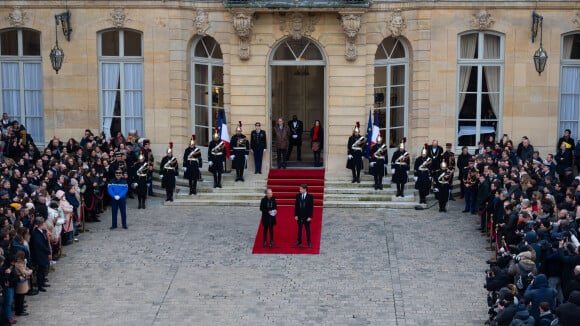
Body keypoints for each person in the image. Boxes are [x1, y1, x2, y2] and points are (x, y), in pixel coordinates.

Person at [30, 217, 50, 292]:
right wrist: (47, 251)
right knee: (40, 270)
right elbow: (40, 245)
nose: (45, 224)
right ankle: (40, 285)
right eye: (43, 223)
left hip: (43, 253)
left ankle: (42, 282)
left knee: (43, 269)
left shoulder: (43, 231)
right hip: (39, 254)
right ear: (40, 225)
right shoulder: (35, 233)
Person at [294, 184, 314, 248]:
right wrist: (296, 215)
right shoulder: (298, 196)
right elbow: (296, 206)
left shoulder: (310, 196)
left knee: (307, 229)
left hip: (306, 216)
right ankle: (299, 240)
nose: (299, 190)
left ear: (305, 189)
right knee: (299, 229)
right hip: (299, 215)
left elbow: (311, 207)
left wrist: (310, 216)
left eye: (301, 189)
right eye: (300, 189)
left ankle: (309, 241)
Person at [13, 250, 31, 317]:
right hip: (21, 283)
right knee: (20, 298)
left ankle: (20, 309)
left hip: (21, 282)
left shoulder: (19, 262)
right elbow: (24, 272)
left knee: (20, 298)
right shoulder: (19, 264)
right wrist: (30, 271)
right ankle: (19, 311)